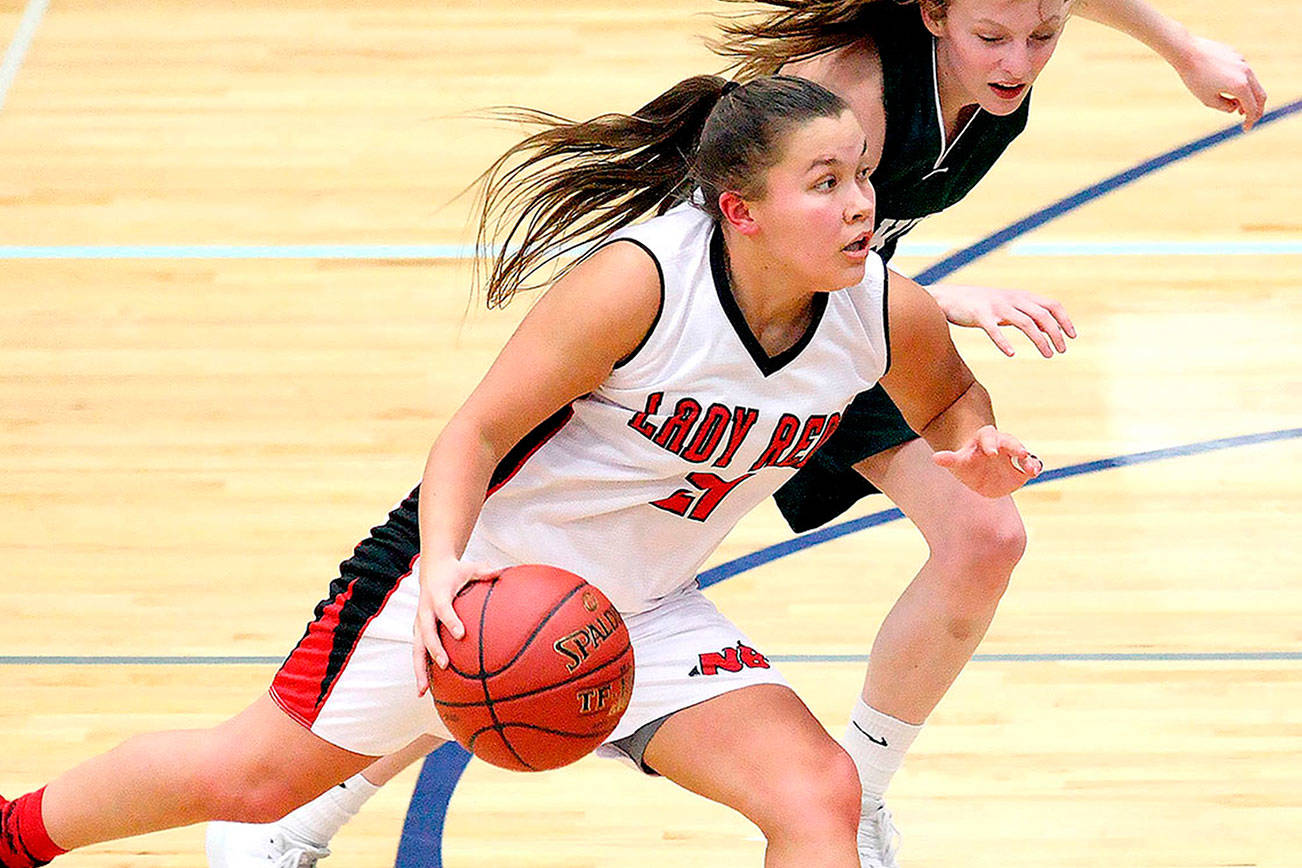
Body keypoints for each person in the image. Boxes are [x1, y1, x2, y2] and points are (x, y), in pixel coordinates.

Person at [202, 1, 1268, 866]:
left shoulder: (1003, 49)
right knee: (534, 613)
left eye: (1045, 35)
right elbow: (757, 244)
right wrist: (940, 297)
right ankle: (301, 809)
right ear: (934, 15)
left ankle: (854, 799)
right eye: (998, 36)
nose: (1022, 57)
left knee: (986, 535)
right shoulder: (860, 95)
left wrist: (1182, 47)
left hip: (839, 320)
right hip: (752, 324)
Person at [0, 74, 1041, 868]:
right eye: (827, 183)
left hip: (639, 605)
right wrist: (447, 567)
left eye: (862, 173)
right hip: (475, 581)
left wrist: (974, 453)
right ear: (741, 209)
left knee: (820, 796)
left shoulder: (880, 310)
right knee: (251, 780)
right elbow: (474, 434)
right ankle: (14, 833)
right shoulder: (637, 285)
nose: (863, 203)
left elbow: (950, 399)